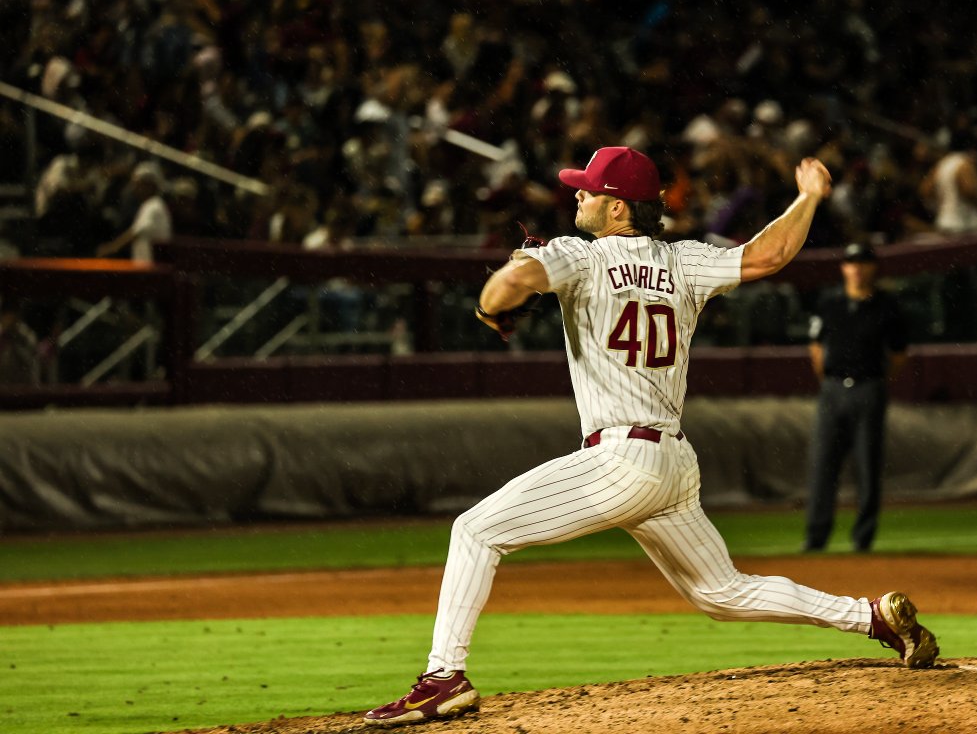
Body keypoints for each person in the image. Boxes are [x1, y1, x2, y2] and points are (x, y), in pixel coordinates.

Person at [363, 147, 938, 727]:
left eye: (588, 190)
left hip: (621, 459)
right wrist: (810, 195)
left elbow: (502, 290)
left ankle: (444, 677)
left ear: (617, 208)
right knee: (722, 592)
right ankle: (872, 618)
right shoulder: (683, 262)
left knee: (474, 532)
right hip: (672, 463)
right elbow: (768, 256)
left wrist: (506, 291)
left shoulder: (581, 258)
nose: (578, 195)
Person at [805, 243, 908, 553]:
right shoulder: (829, 303)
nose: (857, 268)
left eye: (862, 262)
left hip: (869, 388)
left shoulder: (888, 306)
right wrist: (830, 381)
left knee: (868, 466)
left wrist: (876, 380)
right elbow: (816, 347)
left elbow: (899, 354)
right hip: (833, 389)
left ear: (873, 267)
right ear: (844, 268)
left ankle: (863, 539)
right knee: (822, 465)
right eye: (851, 262)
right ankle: (816, 538)